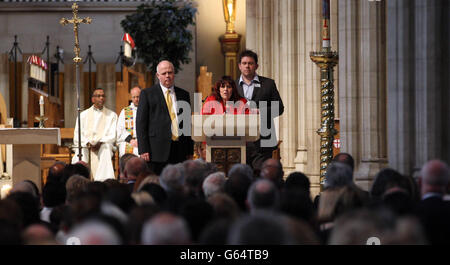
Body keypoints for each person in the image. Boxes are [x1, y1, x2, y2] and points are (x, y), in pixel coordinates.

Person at [136, 60, 193, 176]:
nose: (167, 76)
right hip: (156, 150)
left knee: (178, 184)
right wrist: (143, 149)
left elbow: (186, 125)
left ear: (174, 74)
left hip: (179, 149)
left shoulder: (184, 94)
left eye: (170, 72)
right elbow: (141, 124)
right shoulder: (147, 94)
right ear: (158, 76)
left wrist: (189, 150)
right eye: (164, 73)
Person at [236, 50, 284, 169]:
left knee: (262, 178)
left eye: (250, 63)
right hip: (239, 141)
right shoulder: (233, 86)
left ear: (256, 66)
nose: (247, 66)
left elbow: (279, 107)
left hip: (263, 141)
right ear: (239, 66)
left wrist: (260, 111)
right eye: (244, 63)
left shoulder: (268, 84)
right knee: (242, 178)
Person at [72, 88, 117, 181]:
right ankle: (80, 180)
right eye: (98, 96)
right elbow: (78, 134)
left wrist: (100, 142)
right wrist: (88, 144)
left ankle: (103, 182)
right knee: (81, 152)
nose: (101, 98)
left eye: (103, 96)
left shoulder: (112, 115)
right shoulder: (83, 115)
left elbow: (113, 135)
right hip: (87, 145)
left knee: (106, 149)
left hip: (103, 145)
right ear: (93, 99)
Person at [117, 86, 141, 157]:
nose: (136, 99)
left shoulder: (147, 110)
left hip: (142, 142)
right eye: (134, 97)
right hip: (128, 141)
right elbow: (120, 129)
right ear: (131, 97)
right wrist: (131, 140)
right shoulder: (125, 111)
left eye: (138, 97)